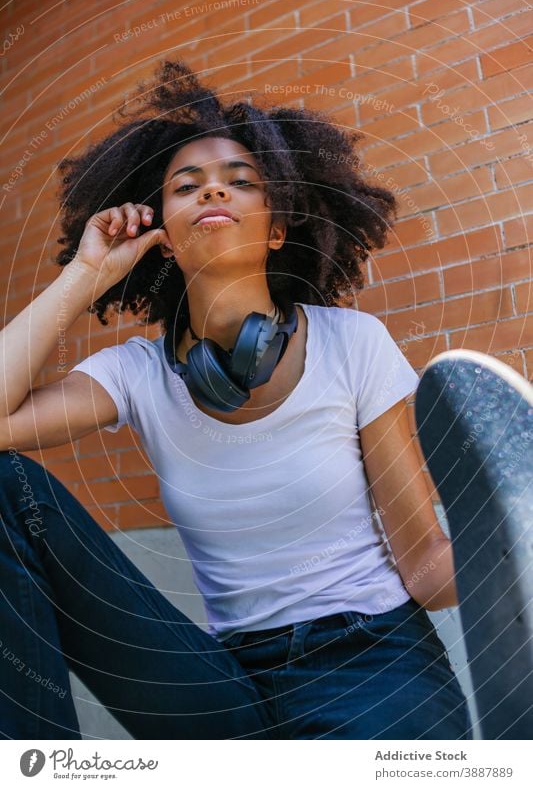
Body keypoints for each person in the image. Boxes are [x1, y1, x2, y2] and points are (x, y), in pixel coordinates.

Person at [0, 57, 472, 740]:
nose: (211, 193)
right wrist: (85, 273)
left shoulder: (353, 344)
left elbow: (425, 567)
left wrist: (507, 543)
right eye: (185, 187)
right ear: (160, 233)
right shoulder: (137, 372)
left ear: (275, 227)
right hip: (224, 683)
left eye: (239, 182)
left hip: (369, 665)